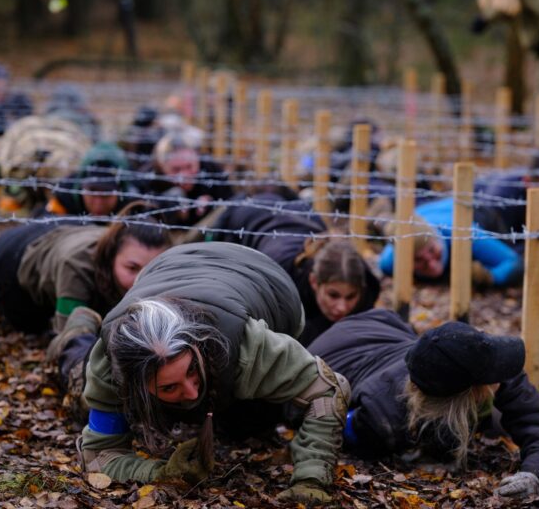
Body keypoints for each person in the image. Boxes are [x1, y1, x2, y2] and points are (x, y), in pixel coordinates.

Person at [50, 242, 348, 503]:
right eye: (169, 387)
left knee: (250, 426)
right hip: (166, 267)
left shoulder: (249, 347)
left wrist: (311, 480)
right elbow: (99, 456)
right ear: (134, 384)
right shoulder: (109, 368)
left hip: (266, 280)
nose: (191, 392)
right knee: (81, 397)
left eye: (192, 370)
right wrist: (160, 472)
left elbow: (327, 389)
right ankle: (75, 333)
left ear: (199, 347)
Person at [308, 308, 539, 498]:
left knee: (493, 424)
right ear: (469, 393)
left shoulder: (483, 361)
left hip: (378, 324)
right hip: (330, 355)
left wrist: (536, 472)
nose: (504, 376)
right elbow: (331, 424)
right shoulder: (381, 417)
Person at [212, 194, 381, 346]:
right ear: (314, 281)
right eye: (333, 295)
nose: (342, 307)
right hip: (251, 216)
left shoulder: (366, 283)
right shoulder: (280, 280)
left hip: (301, 214)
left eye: (351, 296)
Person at [0, 202, 172, 334]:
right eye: (132, 268)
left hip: (67, 229)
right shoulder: (76, 267)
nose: (140, 280)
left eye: (151, 269)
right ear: (112, 254)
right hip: (9, 260)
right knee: (33, 328)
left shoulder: (129, 245)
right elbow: (70, 340)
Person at [378, 197, 523, 285]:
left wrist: (490, 277)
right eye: (418, 260)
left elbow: (513, 262)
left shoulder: (465, 234)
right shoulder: (389, 262)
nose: (431, 263)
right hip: (427, 211)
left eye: (432, 250)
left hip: (471, 211)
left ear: (438, 239)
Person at [140, 127, 233, 226]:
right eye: (176, 170)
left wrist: (212, 204)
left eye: (189, 167)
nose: (184, 176)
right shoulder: (149, 177)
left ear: (197, 158)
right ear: (162, 167)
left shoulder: (211, 168)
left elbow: (229, 203)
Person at [45, 142, 137, 217]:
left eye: (106, 195)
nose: (98, 204)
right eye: (92, 192)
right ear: (80, 185)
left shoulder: (134, 202)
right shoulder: (64, 195)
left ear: (122, 190)